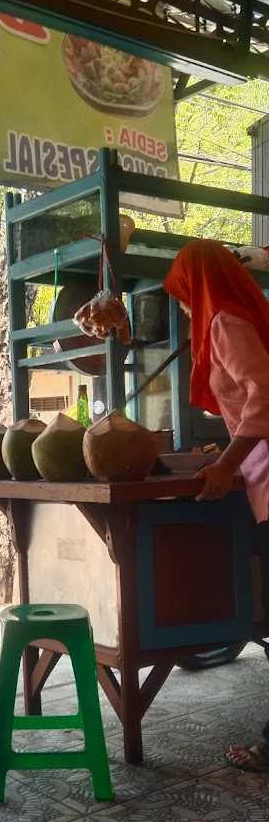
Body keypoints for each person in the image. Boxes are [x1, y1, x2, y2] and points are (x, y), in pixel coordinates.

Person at [164, 238, 269, 771]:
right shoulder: (242, 311)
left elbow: (264, 396)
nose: (185, 307)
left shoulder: (225, 319)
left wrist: (227, 463)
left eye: (184, 295)